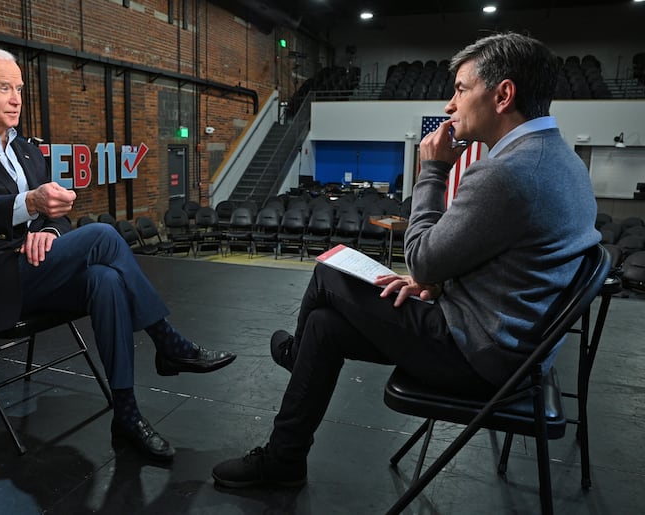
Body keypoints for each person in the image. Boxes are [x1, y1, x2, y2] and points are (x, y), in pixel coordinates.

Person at [212, 32, 600, 487]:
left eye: (459, 89)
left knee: (328, 271)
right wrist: (438, 283)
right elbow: (506, 259)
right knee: (325, 327)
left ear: (503, 94)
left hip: (479, 354)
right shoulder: (561, 160)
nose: (450, 105)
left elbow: (419, 259)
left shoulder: (507, 173)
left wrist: (432, 171)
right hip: (514, 347)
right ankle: (284, 460)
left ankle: (295, 358)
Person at [0, 47, 236, 462]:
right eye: (4, 88)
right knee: (103, 235)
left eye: (19, 88)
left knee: (104, 280)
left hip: (33, 268)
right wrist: (30, 204)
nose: (17, 98)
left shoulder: (28, 149)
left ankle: (126, 414)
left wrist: (49, 229)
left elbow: (60, 217)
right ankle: (169, 342)